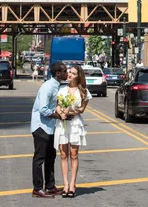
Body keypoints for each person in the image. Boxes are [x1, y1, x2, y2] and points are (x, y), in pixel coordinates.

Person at [31, 61, 68, 198]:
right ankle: (37, 188)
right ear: (58, 73)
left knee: (50, 156)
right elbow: (43, 109)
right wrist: (60, 116)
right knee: (39, 158)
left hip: (50, 126)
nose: (67, 73)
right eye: (64, 71)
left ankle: (50, 186)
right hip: (41, 126)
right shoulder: (48, 87)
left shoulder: (57, 86)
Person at [55, 65, 92, 197]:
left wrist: (69, 111)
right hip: (63, 123)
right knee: (63, 154)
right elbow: (58, 105)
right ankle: (65, 184)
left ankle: (72, 184)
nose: (70, 75)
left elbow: (81, 109)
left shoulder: (84, 92)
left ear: (79, 76)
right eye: (69, 72)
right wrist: (61, 113)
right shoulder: (62, 89)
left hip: (75, 123)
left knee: (74, 154)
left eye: (73, 73)